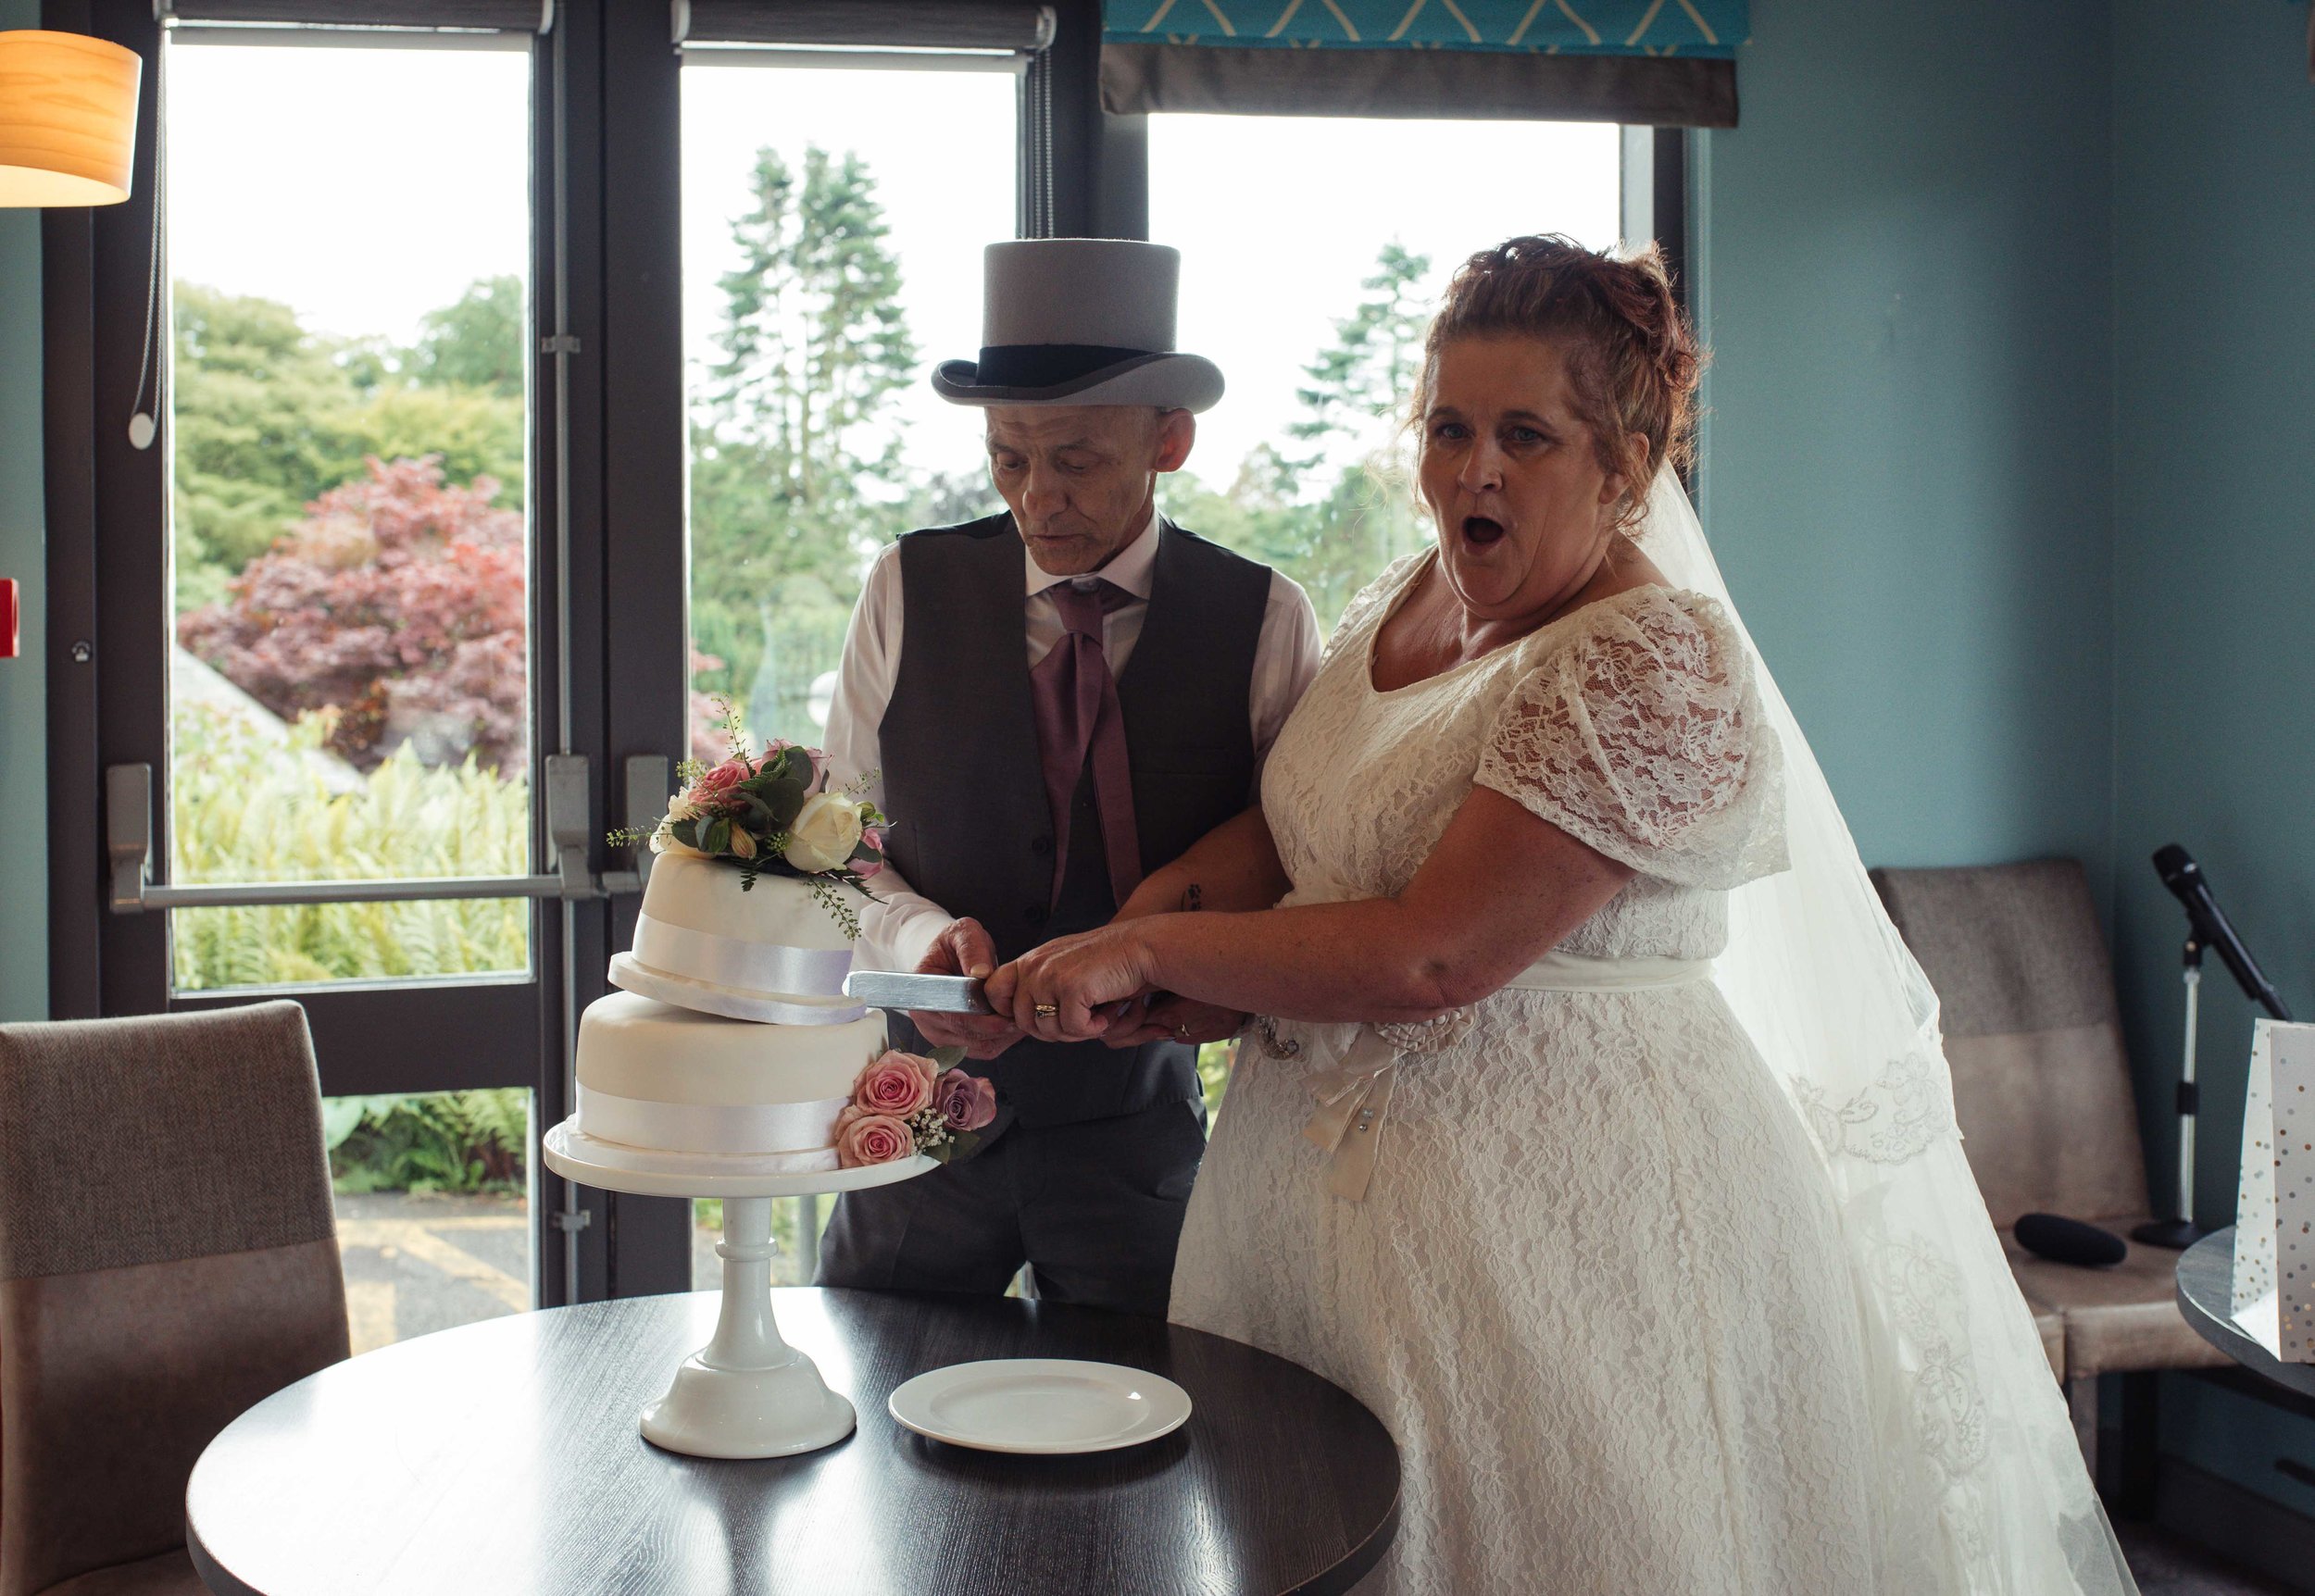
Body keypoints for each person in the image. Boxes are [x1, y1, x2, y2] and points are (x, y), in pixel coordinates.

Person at [986, 237, 2136, 1592]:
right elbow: (1305, 829)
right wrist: (1132, 942)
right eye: (1449, 428)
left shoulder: (1649, 659)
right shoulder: (1403, 599)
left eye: (1524, 435)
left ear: (1626, 463)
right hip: (1312, 1211)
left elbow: (1435, 951)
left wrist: (1154, 949)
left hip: (1557, 1234)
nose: (1471, 470)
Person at [814, 238, 1321, 1316]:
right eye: (1008, 457)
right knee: (865, 1420)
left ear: (1168, 440)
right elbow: (836, 851)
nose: (1038, 496)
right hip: (916, 1130)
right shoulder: (906, 585)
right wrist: (919, 941)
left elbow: (1292, 870)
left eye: (1078, 459)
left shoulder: (1267, 620)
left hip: (1136, 1143)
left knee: (1141, 1443)